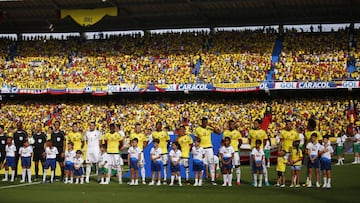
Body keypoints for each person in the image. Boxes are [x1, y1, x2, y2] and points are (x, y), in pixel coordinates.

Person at [194, 117, 221, 185]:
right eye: (204, 122)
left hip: (209, 148)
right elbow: (196, 138)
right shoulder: (197, 129)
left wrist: (212, 126)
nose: (205, 123)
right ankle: (200, 179)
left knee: (211, 163)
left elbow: (218, 132)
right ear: (202, 122)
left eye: (206, 122)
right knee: (201, 164)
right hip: (202, 148)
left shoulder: (209, 128)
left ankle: (213, 180)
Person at [248, 119, 269, 186]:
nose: (255, 125)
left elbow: (265, 141)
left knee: (263, 166)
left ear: (260, 124)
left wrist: (261, 148)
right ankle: (254, 181)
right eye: (254, 123)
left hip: (260, 151)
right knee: (253, 167)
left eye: (256, 123)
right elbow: (249, 140)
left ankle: (266, 180)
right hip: (253, 151)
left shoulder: (263, 132)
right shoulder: (251, 131)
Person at [223, 120, 242, 185]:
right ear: (229, 125)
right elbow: (223, 142)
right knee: (229, 166)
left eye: (233, 124)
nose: (232, 125)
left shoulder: (237, 132)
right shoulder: (225, 132)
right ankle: (228, 180)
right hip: (228, 152)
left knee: (237, 166)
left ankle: (238, 180)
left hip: (235, 151)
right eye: (230, 124)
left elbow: (240, 141)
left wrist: (237, 147)